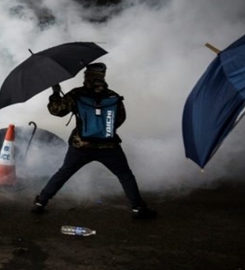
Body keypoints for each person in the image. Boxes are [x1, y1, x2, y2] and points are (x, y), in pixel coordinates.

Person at [32, 63, 157, 219]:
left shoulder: (77, 94)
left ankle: (40, 202)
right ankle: (138, 208)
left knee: (64, 173)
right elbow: (120, 119)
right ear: (103, 77)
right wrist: (103, 128)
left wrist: (55, 93)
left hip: (80, 146)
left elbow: (57, 111)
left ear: (86, 77)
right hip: (109, 146)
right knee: (125, 175)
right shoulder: (113, 96)